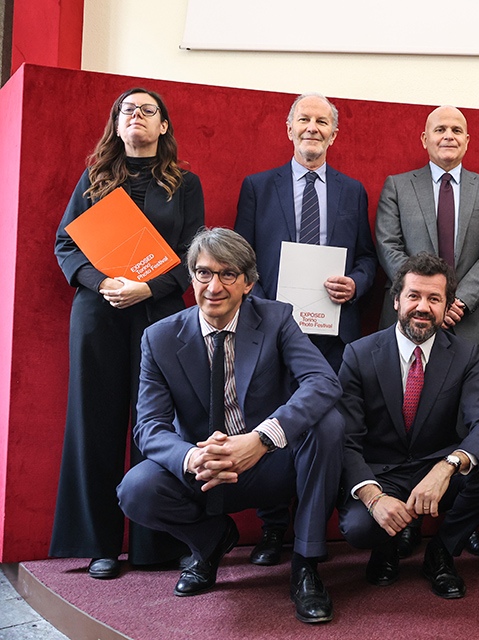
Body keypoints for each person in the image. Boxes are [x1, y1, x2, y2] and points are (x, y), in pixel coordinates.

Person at [116, 228, 344, 624]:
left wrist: (262, 439)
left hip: (269, 463)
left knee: (329, 424)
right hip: (206, 471)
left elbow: (323, 382)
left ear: (248, 283)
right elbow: (149, 426)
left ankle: (306, 566)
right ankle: (211, 543)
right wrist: (192, 457)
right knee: (136, 489)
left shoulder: (276, 318)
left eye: (228, 274)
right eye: (204, 273)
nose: (214, 286)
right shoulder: (160, 338)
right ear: (192, 278)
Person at [51, 88, 205, 579]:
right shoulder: (94, 177)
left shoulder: (185, 183)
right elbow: (66, 245)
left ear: (163, 125)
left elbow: (193, 254)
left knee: (155, 424)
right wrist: (104, 284)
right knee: (93, 422)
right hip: (98, 314)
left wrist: (148, 287)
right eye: (127, 110)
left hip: (158, 314)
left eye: (147, 110)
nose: (137, 116)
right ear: (117, 124)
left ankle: (155, 544)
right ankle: (98, 544)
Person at [234, 92, 376, 565]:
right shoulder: (258, 186)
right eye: (304, 120)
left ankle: (312, 531)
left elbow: (367, 259)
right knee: (272, 419)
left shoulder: (353, 190)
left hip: (333, 334)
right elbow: (241, 259)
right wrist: (263, 306)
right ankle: (274, 527)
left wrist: (355, 284)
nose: (312, 127)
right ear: (289, 128)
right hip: (271, 331)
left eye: (322, 121)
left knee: (327, 427)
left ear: (334, 133)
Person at [337, 252, 479, 599]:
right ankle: (384, 548)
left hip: (436, 467)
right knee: (358, 527)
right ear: (397, 300)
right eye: (414, 296)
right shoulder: (358, 354)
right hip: (381, 472)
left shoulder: (464, 355)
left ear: (447, 307)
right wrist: (374, 497)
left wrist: (447, 466)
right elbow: (345, 439)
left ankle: (441, 551)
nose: (422, 307)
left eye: (434, 299)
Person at [375, 105, 479, 557]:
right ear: (424, 139)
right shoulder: (397, 186)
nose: (448, 135)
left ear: (468, 140)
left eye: (457, 129)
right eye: (440, 129)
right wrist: (424, 299)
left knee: (465, 420)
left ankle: (463, 522)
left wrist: (456, 300)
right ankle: (405, 515)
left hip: (472, 321)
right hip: (411, 318)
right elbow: (389, 245)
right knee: (407, 419)